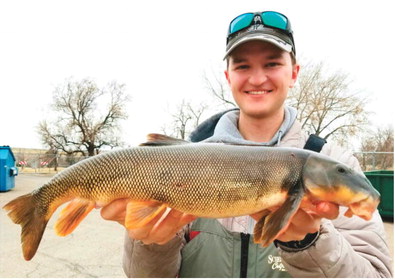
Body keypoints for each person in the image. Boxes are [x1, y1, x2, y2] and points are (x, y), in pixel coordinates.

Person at [100, 11, 393, 277]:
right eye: (242, 66)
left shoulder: (335, 164)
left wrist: (309, 241)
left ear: (294, 73)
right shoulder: (181, 161)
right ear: (228, 76)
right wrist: (148, 241)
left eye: (272, 63)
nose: (257, 78)